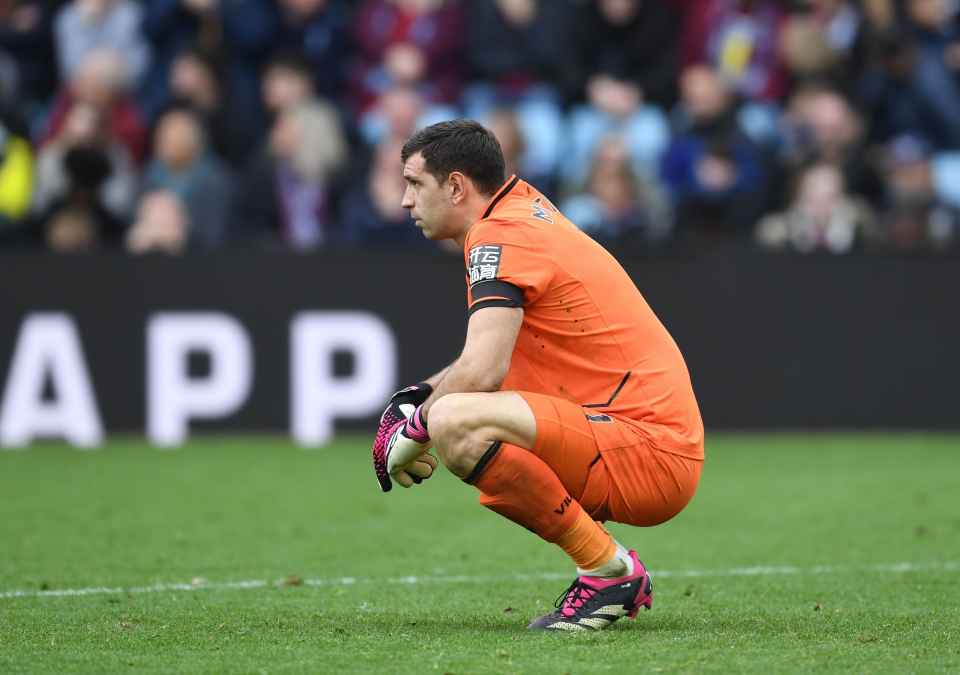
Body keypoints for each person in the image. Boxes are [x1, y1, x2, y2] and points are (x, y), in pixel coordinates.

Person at [372, 120, 704, 632]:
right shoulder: (517, 212)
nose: (404, 201)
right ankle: (608, 569)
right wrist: (415, 398)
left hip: (646, 448)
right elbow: (484, 365)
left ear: (456, 186)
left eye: (415, 183)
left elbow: (483, 370)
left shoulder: (500, 234)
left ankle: (607, 572)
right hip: (631, 435)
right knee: (452, 411)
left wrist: (416, 427)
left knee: (457, 421)